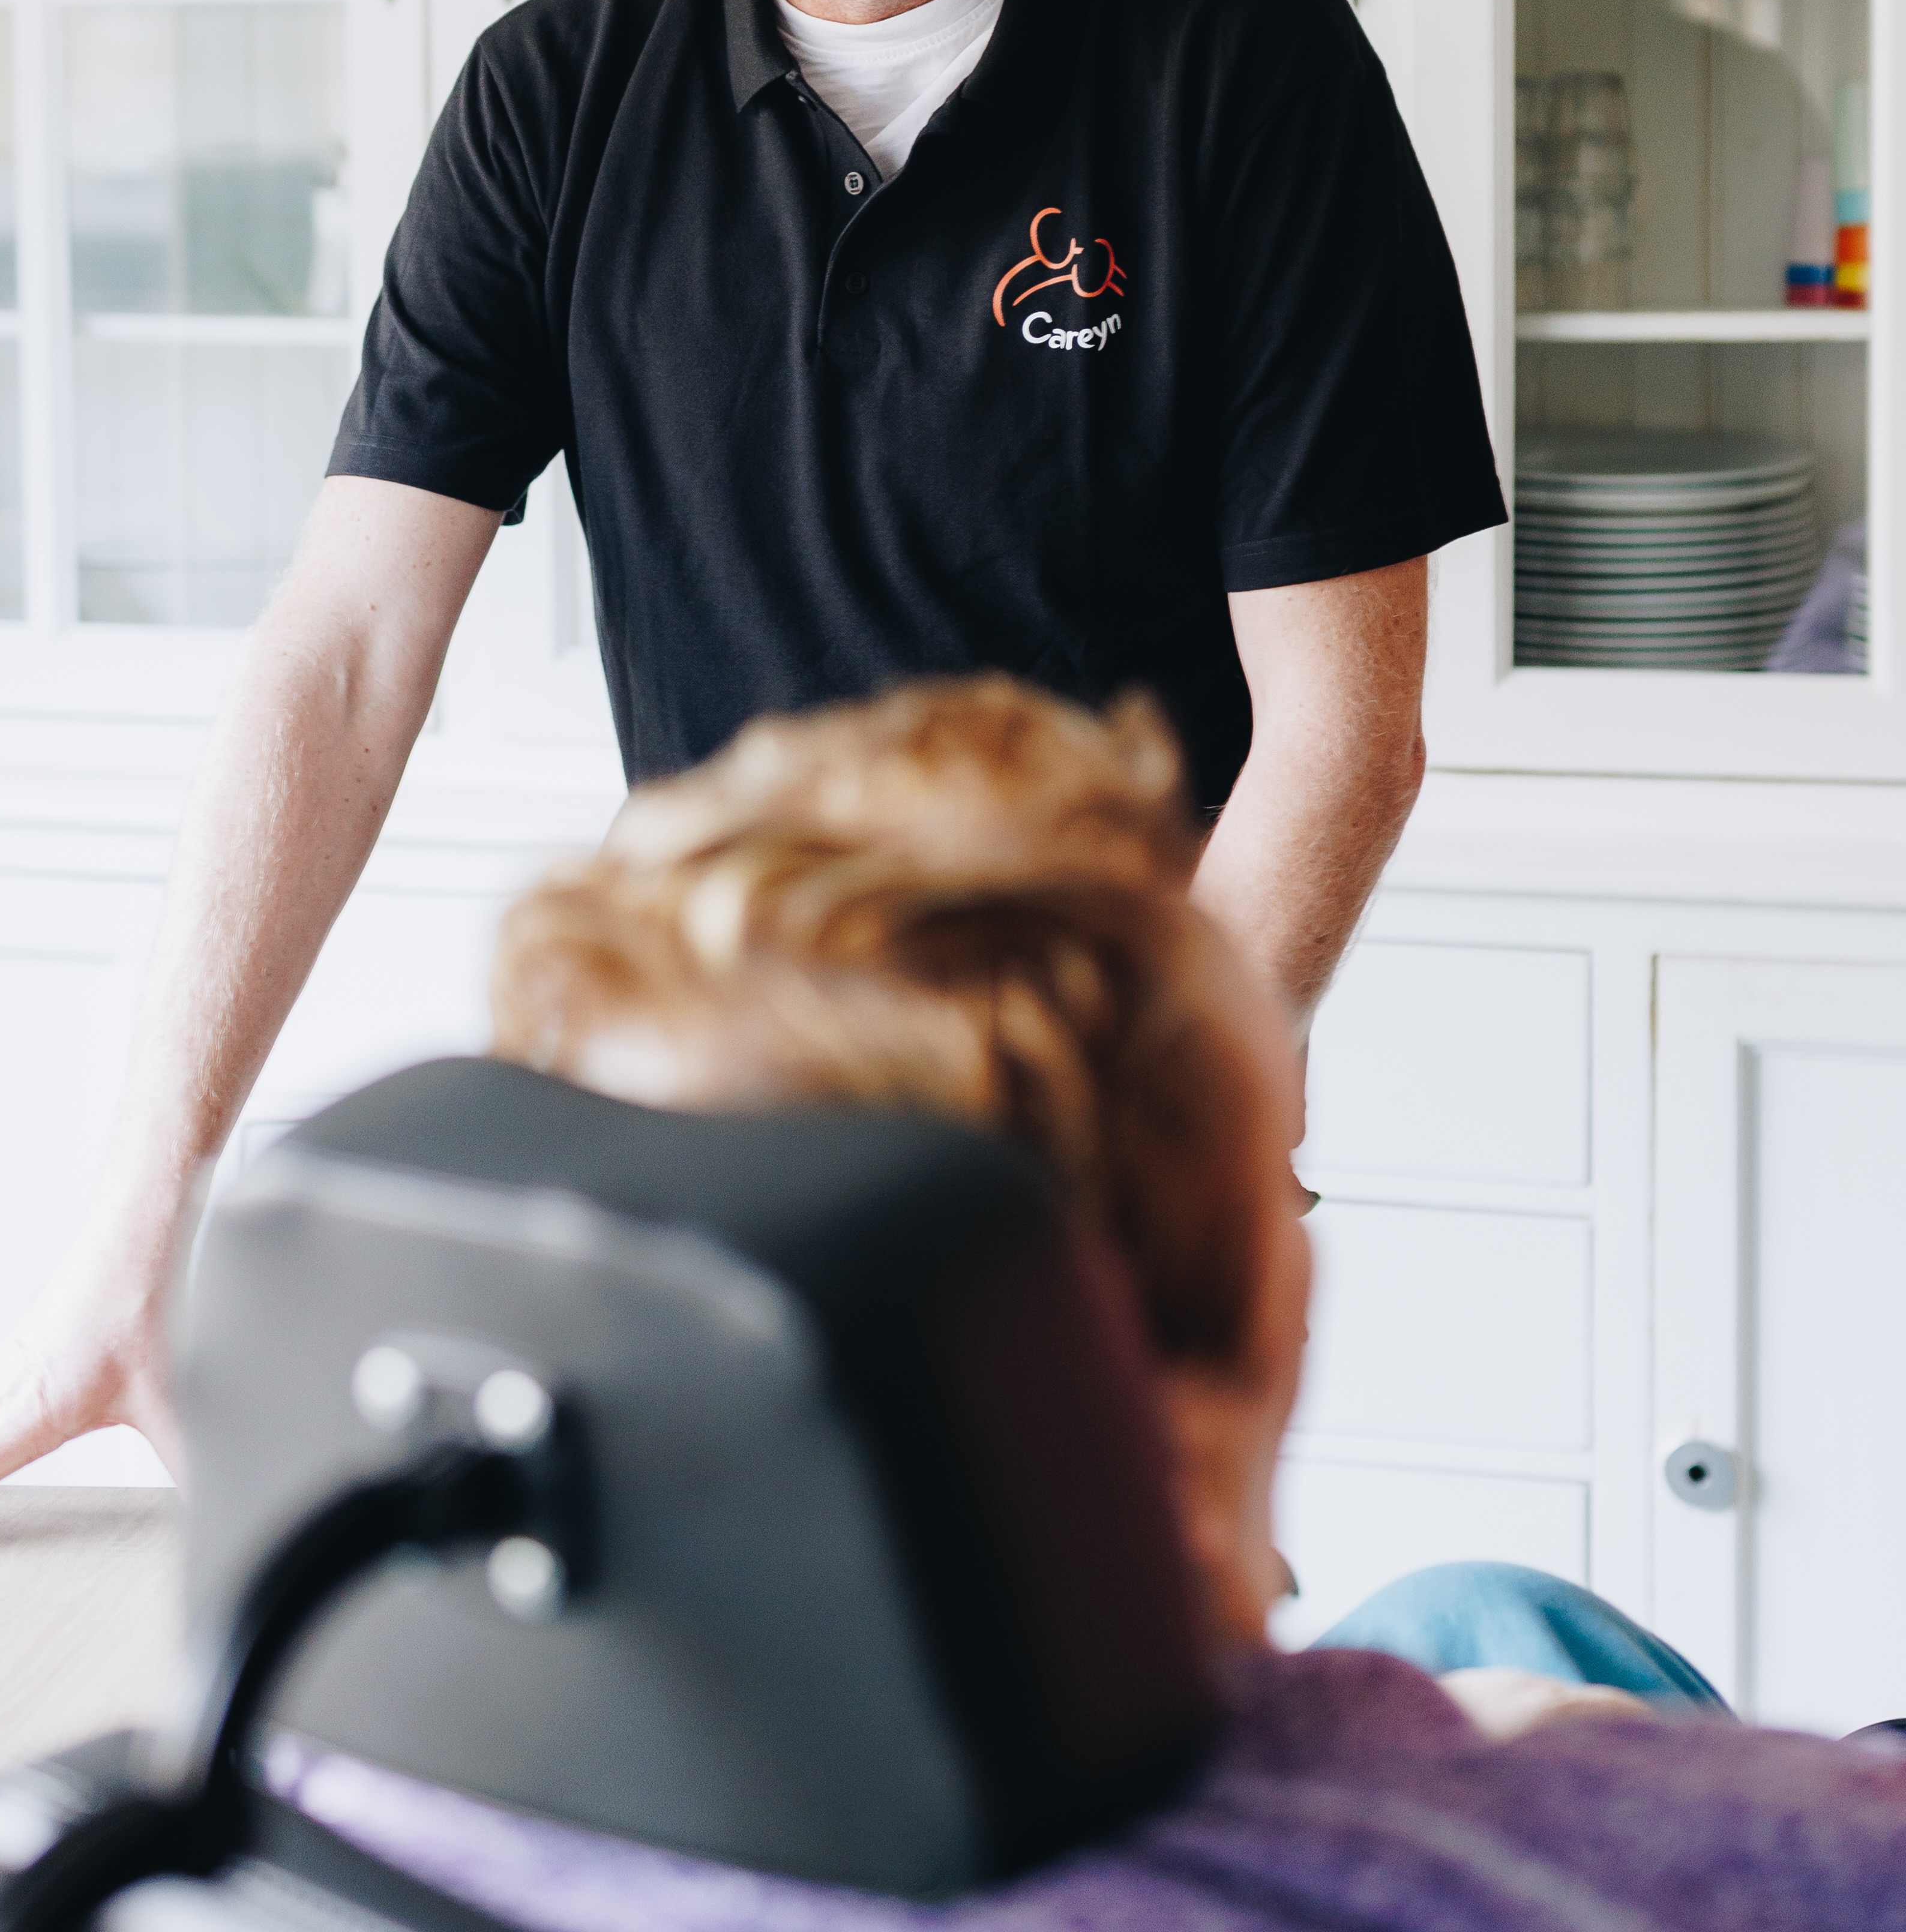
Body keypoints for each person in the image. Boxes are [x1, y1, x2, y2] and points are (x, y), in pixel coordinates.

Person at [0, 0, 1503, 1492]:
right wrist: (148, 1218)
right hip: (696, 1172)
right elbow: (343, 656)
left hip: (1106, 1160)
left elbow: (1344, 732)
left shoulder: (1246, 64)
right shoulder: (555, 94)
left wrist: (1114, 1187)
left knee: (1102, 1687)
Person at [269, 673, 1906, 1932]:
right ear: (1230, 1345)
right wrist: (1554, 1761)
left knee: (1470, 1612)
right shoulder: (1699, 1857)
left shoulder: (308, 1813)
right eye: (1280, 1182)